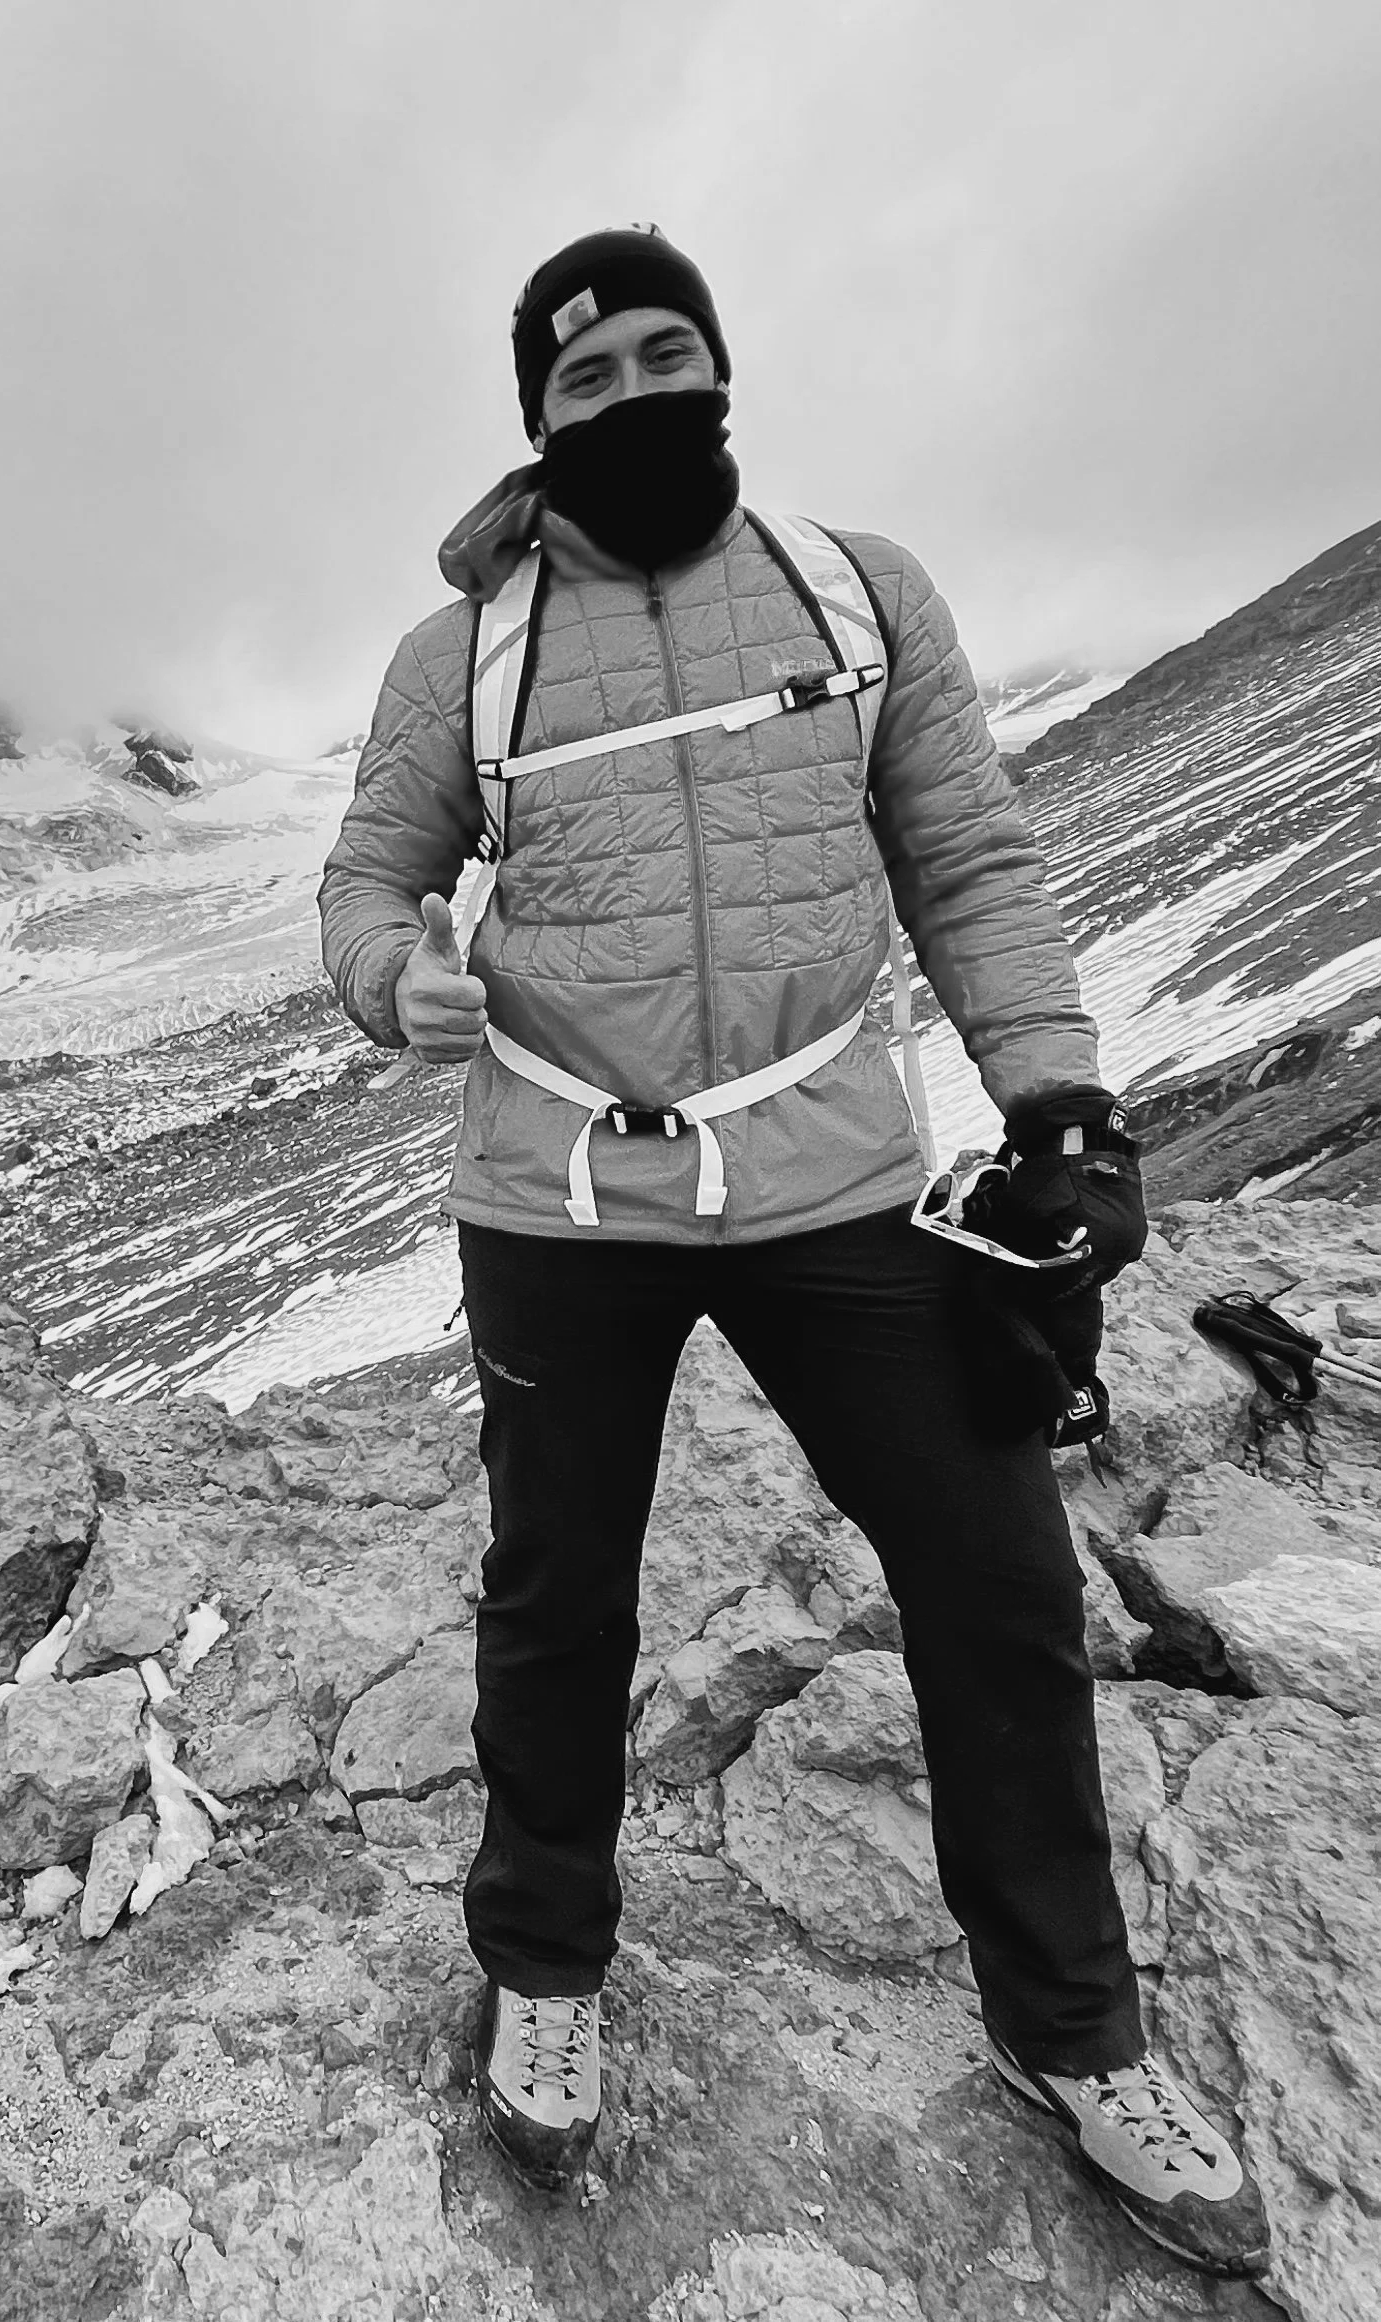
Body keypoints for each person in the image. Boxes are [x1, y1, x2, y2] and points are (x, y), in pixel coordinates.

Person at [315, 225, 1269, 2279]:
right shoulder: (459, 653)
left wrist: (1061, 1100)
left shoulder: (859, 593)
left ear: (724, 368)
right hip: (563, 1198)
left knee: (998, 1572)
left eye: (671, 355)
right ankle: (548, 1961)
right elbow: (369, 882)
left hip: (835, 1174)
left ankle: (1071, 2029)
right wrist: (392, 979)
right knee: (559, 1593)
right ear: (538, 420)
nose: (638, 397)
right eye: (588, 381)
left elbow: (968, 859)